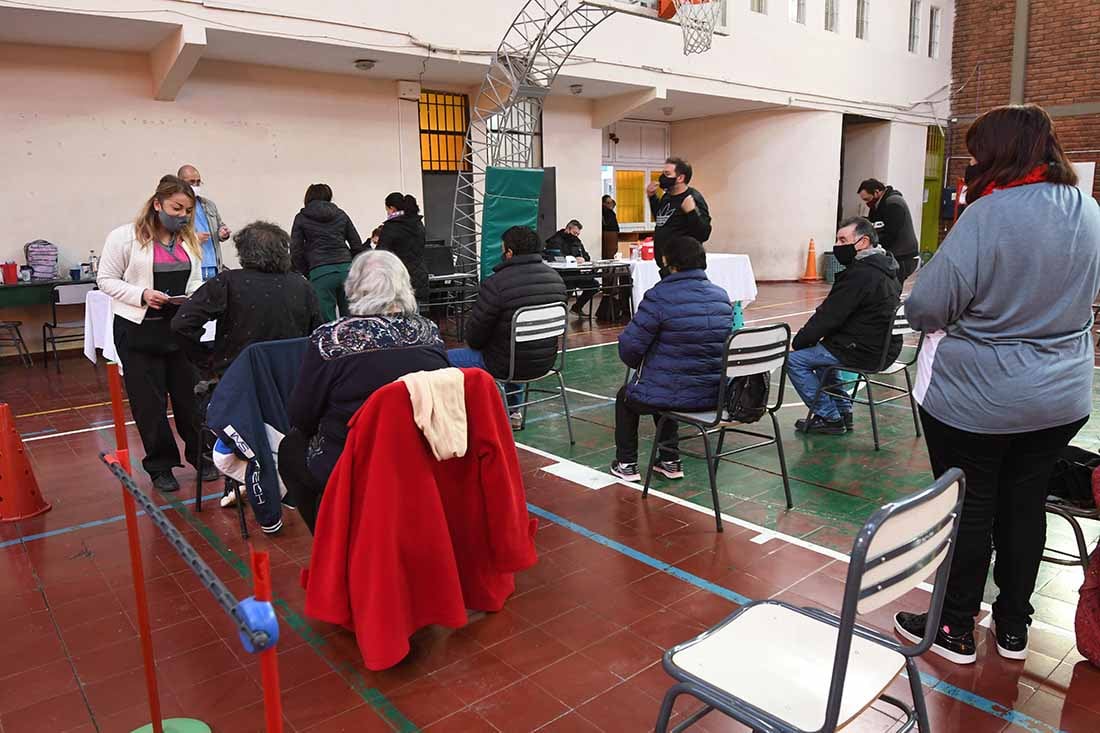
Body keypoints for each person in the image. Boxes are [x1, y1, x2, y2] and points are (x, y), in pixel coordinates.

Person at [893, 104, 1100, 665]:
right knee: (1024, 503)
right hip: (1062, 394)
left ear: (998, 155)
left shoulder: (988, 213)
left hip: (980, 399)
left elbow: (928, 305)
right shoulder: (1087, 208)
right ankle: (1013, 627)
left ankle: (955, 627)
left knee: (970, 505)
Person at [279, 250, 449, 532]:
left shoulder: (331, 339)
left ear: (352, 288)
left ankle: (328, 538)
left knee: (290, 449)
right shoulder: (429, 331)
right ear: (405, 286)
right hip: (422, 453)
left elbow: (301, 415)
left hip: (354, 464)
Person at [96, 175, 216, 492]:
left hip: (177, 330)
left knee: (190, 400)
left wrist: (197, 296)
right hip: (137, 331)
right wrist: (142, 294)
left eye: (188, 210)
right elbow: (106, 280)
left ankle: (201, 457)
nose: (183, 216)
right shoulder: (124, 237)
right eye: (177, 208)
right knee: (149, 405)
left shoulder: (189, 240)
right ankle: (161, 466)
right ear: (157, 203)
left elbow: (193, 280)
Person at [611, 236, 732, 482]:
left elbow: (630, 349)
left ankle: (626, 464)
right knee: (664, 387)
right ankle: (670, 460)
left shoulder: (658, 296)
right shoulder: (721, 297)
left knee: (630, 397)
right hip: (715, 397)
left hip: (673, 395)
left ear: (669, 264)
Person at [787, 217, 901, 435]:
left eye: (842, 240)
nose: (837, 246)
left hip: (863, 350)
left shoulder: (861, 274)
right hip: (883, 347)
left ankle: (829, 416)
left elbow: (829, 316)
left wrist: (800, 341)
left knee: (794, 361)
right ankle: (843, 410)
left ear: (863, 242)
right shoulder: (887, 268)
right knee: (822, 356)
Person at [448, 226, 566, 428]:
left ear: (509, 253)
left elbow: (474, 337)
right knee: (514, 348)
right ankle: (514, 413)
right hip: (546, 362)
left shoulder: (496, 284)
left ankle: (458, 421)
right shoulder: (556, 280)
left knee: (440, 359)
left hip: (505, 364)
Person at [172, 221, 323, 379]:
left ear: (243, 252)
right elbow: (318, 336)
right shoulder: (302, 285)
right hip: (290, 378)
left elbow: (182, 324)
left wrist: (207, 361)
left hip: (238, 378)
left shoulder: (227, 282)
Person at [290, 183, 365, 321]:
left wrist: (309, 272)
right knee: (353, 321)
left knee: (326, 323)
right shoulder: (341, 214)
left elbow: (295, 251)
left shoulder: (301, 217)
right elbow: (357, 245)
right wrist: (353, 267)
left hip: (320, 272)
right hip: (346, 270)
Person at [646, 157, 712, 275]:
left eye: (667, 174)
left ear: (680, 178)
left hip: (684, 265)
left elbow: (704, 233)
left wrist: (691, 212)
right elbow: (662, 220)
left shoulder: (693, 198)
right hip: (666, 263)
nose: (663, 177)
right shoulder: (667, 197)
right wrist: (652, 198)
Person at [857, 178, 920, 284]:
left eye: (867, 199)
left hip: (903, 256)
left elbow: (891, 233)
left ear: (877, 192)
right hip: (893, 254)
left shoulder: (894, 203)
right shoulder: (877, 205)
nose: (867, 203)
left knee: (892, 288)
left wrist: (874, 246)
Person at [177, 165, 231, 279]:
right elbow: (169, 237)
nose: (195, 186)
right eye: (191, 182)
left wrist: (222, 233)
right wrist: (194, 239)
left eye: (198, 182)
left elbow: (220, 225)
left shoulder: (209, 205)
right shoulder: (176, 207)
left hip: (214, 265)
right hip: (191, 266)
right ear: (180, 182)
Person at [377, 192, 429, 303]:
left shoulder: (391, 226)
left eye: (387, 210)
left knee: (397, 316)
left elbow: (380, 253)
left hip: (398, 277)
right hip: (418, 275)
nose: (387, 213)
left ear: (392, 208)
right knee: (414, 314)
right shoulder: (418, 224)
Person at [544, 220, 599, 316]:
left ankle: (577, 307)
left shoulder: (577, 241)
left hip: (576, 273)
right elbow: (556, 257)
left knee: (594, 285)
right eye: (574, 233)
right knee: (569, 287)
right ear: (567, 229)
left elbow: (586, 256)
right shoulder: (555, 240)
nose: (576, 236)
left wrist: (583, 259)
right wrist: (573, 259)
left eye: (578, 234)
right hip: (562, 275)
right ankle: (559, 314)